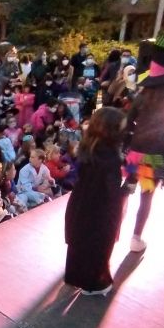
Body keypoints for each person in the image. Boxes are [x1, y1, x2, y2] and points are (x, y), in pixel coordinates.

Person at [123, 39, 164, 252]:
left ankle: (112, 226)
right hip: (158, 155)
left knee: (127, 188)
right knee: (146, 196)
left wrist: (136, 133)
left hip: (136, 152)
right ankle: (136, 237)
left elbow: (128, 121)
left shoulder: (143, 96)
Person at [64, 107, 127, 296]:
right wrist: (128, 186)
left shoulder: (88, 146)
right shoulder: (110, 157)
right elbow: (111, 192)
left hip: (81, 202)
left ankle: (76, 276)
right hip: (100, 209)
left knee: (79, 241)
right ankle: (93, 283)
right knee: (98, 243)